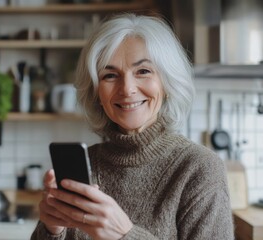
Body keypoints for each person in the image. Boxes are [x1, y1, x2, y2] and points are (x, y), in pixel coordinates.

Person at [31, 13, 234, 240]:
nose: (127, 89)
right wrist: (51, 230)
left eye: (143, 71)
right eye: (110, 75)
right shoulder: (87, 164)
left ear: (166, 83)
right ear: (97, 92)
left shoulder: (200, 169)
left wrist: (124, 235)